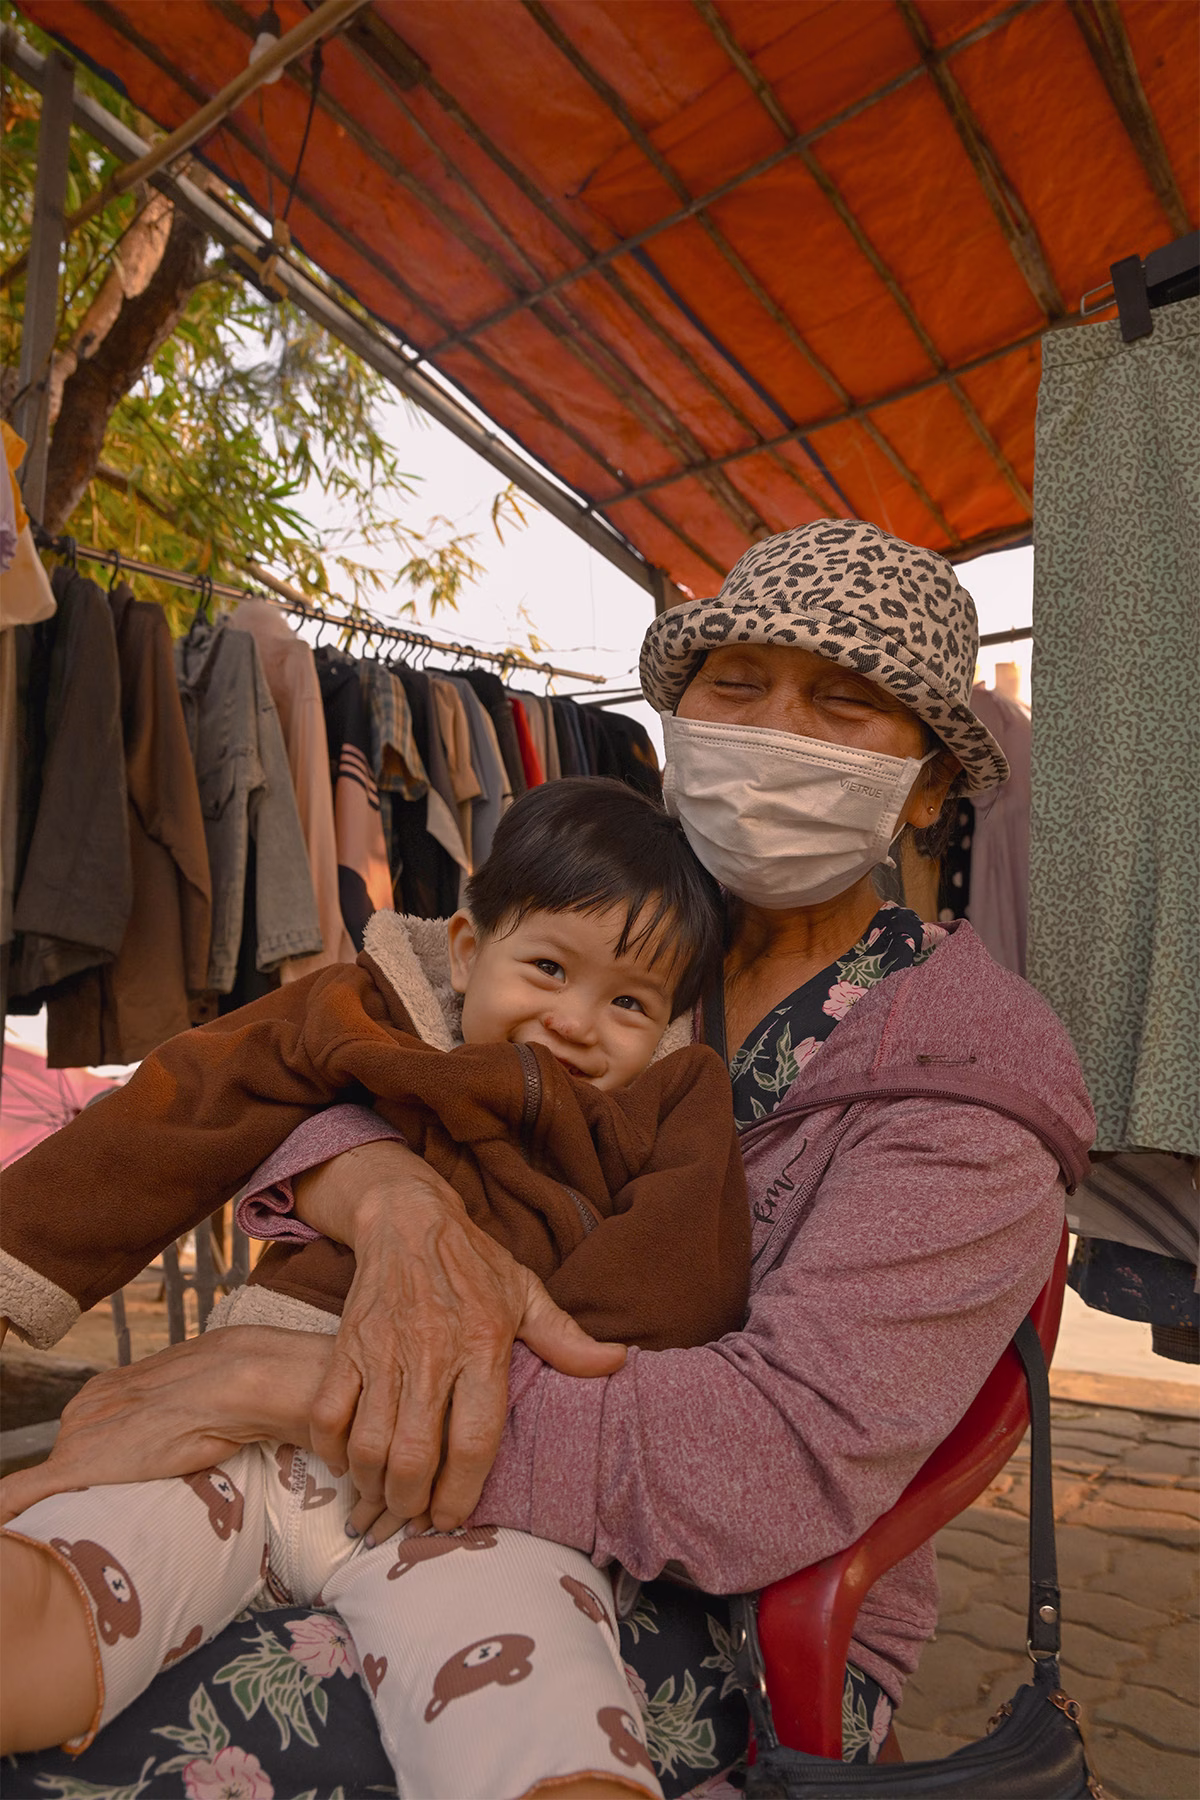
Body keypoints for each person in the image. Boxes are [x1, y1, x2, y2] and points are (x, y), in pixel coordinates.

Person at [0, 521, 1094, 1799]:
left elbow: (771, 1459)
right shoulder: (606, 916)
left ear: (926, 787)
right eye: (736, 687)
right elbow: (339, 1051)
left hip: (714, 1592)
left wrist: (294, 1385)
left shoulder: (968, 1069)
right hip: (349, 1472)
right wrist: (392, 1195)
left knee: (134, 1763)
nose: (779, 729)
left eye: (846, 705)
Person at [1, 777, 747, 1800]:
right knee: (54, 1588)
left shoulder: (668, 1109)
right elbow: (183, 1109)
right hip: (246, 1449)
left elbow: (675, 1285)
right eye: (547, 967)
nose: (577, 1021)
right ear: (469, 950)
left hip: (480, 1499)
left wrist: (541, 1382)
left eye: (629, 1002)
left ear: (671, 1025)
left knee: (545, 1721)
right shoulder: (363, 1016)